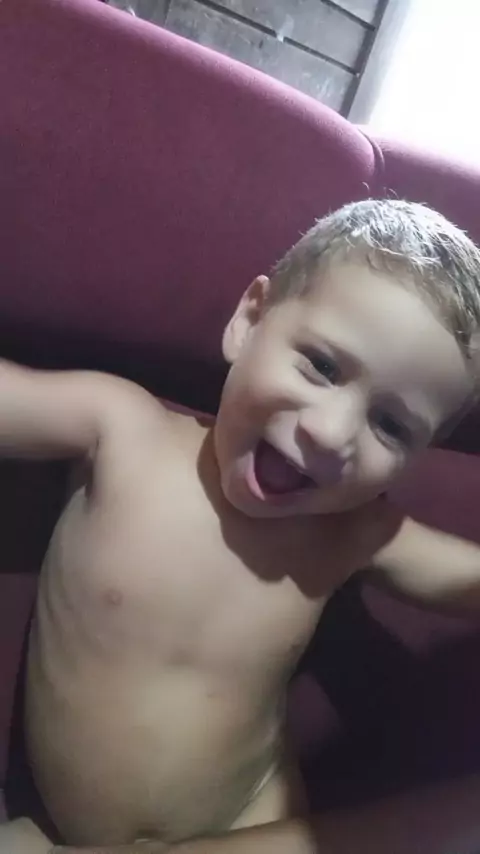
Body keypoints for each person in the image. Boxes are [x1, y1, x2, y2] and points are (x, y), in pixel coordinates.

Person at [2, 199, 480, 854]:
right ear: (249, 321)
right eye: (322, 366)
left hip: (252, 828)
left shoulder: (352, 531)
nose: (331, 431)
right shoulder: (122, 428)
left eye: (391, 426)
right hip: (55, 830)